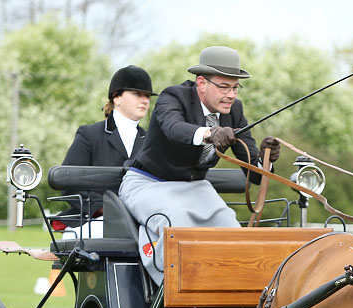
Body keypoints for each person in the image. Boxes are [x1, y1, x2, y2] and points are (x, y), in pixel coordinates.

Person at [119, 46, 281, 286]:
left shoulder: (233, 111)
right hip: (147, 183)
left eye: (235, 87)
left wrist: (265, 159)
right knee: (175, 222)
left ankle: (236, 294)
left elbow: (254, 173)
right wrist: (209, 133)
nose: (231, 95)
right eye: (224, 87)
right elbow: (174, 129)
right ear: (202, 83)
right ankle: (171, 291)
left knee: (230, 227)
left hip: (195, 187)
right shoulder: (172, 97)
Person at [56, 65, 156, 236]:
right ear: (116, 98)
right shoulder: (89, 135)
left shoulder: (151, 142)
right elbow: (68, 183)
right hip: (94, 220)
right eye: (137, 94)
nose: (145, 100)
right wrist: (104, 208)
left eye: (147, 96)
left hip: (141, 220)